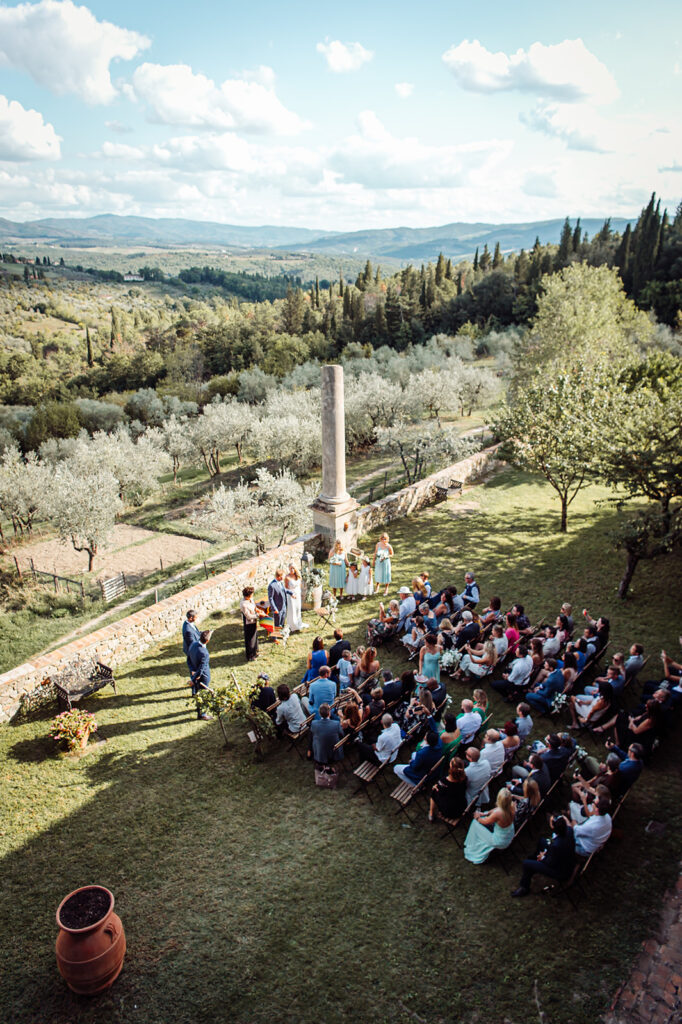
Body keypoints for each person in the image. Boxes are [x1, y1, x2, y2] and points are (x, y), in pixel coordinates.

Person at [511, 814, 576, 896]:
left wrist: (542, 857)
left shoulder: (556, 845)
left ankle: (524, 887)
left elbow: (550, 863)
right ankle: (534, 859)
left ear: (553, 827)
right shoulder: (569, 831)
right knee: (542, 841)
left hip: (560, 871)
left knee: (526, 863)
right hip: (565, 858)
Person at [463, 788, 515, 863]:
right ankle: (475, 843)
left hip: (499, 841)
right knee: (485, 813)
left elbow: (485, 822)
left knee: (475, 823)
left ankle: (472, 847)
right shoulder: (511, 806)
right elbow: (496, 809)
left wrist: (477, 817)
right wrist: (485, 814)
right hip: (509, 835)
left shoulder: (499, 813)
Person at [429, 757, 468, 822]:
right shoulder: (465, 778)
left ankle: (431, 813)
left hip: (449, 812)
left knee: (434, 791)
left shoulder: (444, 781)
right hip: (462, 807)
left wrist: (436, 786)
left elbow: (440, 791)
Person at [188, 630, 212, 720]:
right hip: (203, 677)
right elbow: (201, 669)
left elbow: (188, 660)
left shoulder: (193, 645)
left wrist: (192, 671)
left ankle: (199, 711)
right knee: (203, 694)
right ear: (207, 641)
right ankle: (202, 714)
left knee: (198, 694)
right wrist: (194, 678)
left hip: (195, 673)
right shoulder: (205, 653)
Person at [240, 586, 261, 662]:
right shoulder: (243, 604)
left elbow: (254, 607)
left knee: (255, 637)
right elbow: (248, 616)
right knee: (250, 640)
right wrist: (258, 615)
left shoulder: (251, 599)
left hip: (254, 621)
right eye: (252, 594)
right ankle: (250, 656)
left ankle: (255, 652)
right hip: (249, 623)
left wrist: (258, 610)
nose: (253, 595)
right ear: (248, 595)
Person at [284, 564, 307, 631]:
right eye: (290, 568)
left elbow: (299, 585)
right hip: (291, 596)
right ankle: (292, 624)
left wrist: (298, 593)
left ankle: (298, 622)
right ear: (288, 569)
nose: (292, 570)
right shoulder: (287, 577)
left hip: (298, 594)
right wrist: (292, 594)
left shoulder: (297, 575)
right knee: (292, 609)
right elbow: (286, 588)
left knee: (298, 608)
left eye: (293, 568)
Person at [182, 609, 200, 682]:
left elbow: (196, 633)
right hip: (192, 651)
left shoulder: (189, 624)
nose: (196, 618)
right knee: (194, 667)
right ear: (190, 618)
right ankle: (194, 683)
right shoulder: (188, 630)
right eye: (195, 617)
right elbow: (192, 643)